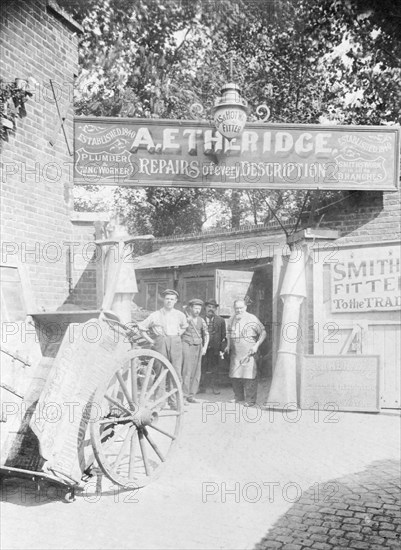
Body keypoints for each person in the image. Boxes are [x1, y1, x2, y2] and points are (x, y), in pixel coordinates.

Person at [138, 289, 188, 401]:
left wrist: (180, 333)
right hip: (160, 343)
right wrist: (151, 341)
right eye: (167, 299)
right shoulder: (155, 315)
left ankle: (175, 401)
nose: (169, 301)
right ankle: (159, 402)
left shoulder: (180, 315)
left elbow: (185, 326)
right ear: (163, 300)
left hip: (175, 343)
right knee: (160, 372)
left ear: (175, 301)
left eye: (172, 299)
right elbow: (141, 328)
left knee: (176, 372)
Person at [225, 299, 266, 407]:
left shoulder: (252, 318)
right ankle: (238, 397)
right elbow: (229, 333)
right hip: (235, 351)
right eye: (237, 308)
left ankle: (250, 400)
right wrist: (228, 345)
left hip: (248, 350)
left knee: (249, 376)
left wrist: (256, 345)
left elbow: (263, 332)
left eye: (241, 308)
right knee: (235, 375)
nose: (239, 310)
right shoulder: (231, 319)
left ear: (245, 308)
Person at [181, 298, 209, 403]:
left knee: (197, 371)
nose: (197, 311)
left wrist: (205, 347)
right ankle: (183, 396)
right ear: (190, 308)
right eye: (195, 308)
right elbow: (179, 331)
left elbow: (206, 334)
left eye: (199, 308)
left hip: (198, 346)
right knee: (186, 371)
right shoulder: (184, 318)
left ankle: (191, 395)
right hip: (187, 344)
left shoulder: (201, 320)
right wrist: (185, 323)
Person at [199, 299, 227, 394]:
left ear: (215, 309)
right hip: (202, 349)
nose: (211, 309)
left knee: (215, 369)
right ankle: (201, 387)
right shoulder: (200, 319)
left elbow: (223, 336)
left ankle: (215, 387)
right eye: (209, 307)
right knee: (202, 368)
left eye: (213, 307)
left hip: (215, 349)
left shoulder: (221, 321)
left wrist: (221, 349)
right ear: (205, 308)